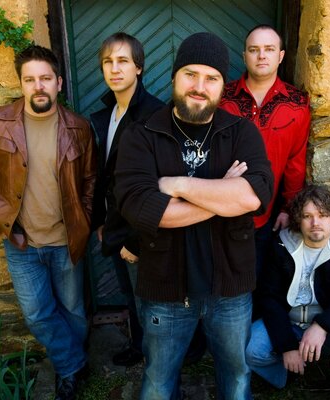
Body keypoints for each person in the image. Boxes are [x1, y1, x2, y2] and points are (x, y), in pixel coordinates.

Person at [114, 32, 274, 400]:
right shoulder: (142, 135)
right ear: (173, 77)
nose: (199, 87)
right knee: (157, 379)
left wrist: (175, 184)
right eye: (190, 74)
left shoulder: (241, 132)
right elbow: (145, 210)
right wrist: (222, 194)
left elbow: (254, 196)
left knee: (236, 377)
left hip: (230, 287)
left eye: (211, 78)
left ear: (222, 85)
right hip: (166, 286)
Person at [0, 45, 96, 400]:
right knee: (38, 314)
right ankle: (73, 366)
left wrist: (83, 220)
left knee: (73, 311)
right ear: (21, 84)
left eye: (45, 79)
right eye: (30, 80)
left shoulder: (79, 128)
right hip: (21, 241)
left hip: (66, 240)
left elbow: (89, 182)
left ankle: (68, 370)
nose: (38, 86)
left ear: (58, 83)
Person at [246, 185, 330, 400]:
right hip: (290, 322)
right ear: (298, 219)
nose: (315, 223)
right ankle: (289, 373)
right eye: (307, 216)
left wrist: (322, 325)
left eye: (322, 215)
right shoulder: (282, 243)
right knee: (250, 348)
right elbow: (269, 297)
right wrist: (287, 345)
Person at [90, 32, 164, 367]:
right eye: (108, 61)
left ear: (139, 67)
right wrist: (101, 222)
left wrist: (134, 240)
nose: (114, 68)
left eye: (123, 61)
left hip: (140, 236)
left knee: (150, 304)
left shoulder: (154, 116)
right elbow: (104, 177)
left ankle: (160, 370)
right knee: (132, 301)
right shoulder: (106, 114)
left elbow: (159, 186)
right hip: (114, 228)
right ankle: (140, 349)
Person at [220, 24, 311, 275]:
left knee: (258, 283)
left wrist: (288, 209)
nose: (261, 55)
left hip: (267, 217)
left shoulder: (297, 103)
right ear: (244, 56)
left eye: (269, 49)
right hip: (218, 211)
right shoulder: (222, 98)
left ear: (280, 56)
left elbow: (295, 161)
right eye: (254, 49)